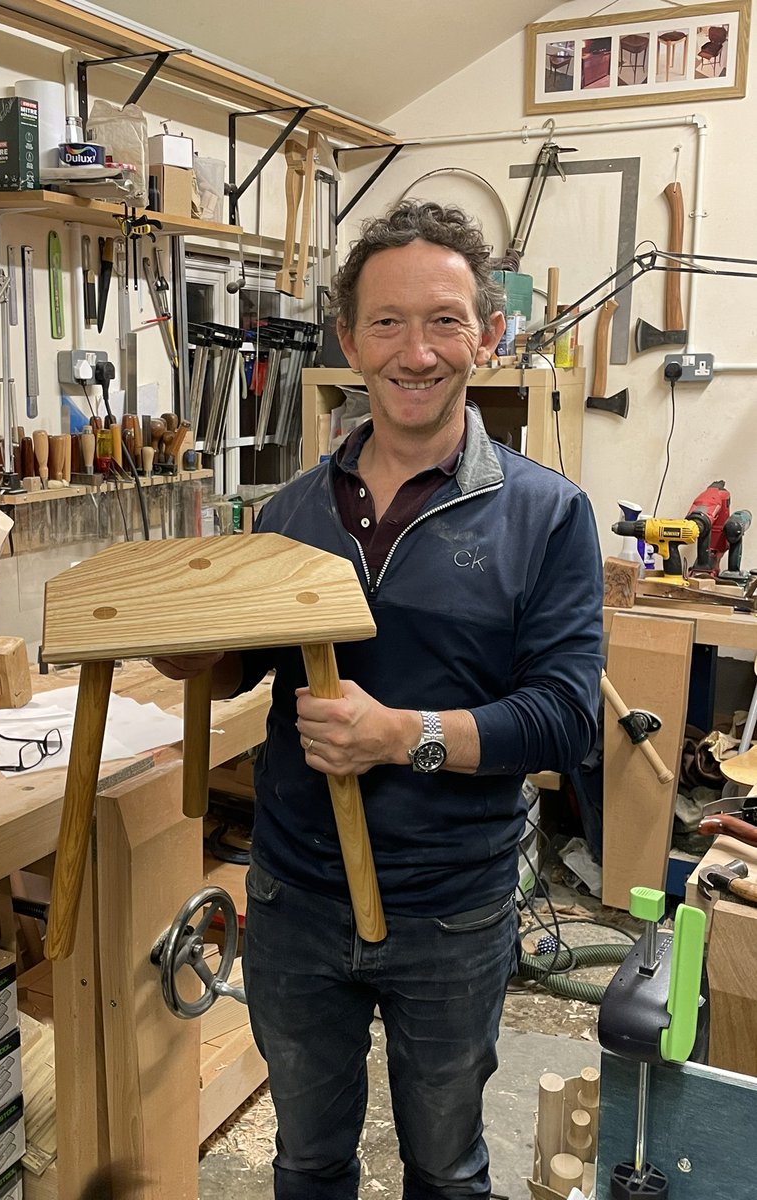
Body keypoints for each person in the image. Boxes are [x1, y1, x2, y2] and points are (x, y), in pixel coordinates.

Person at [155, 200, 603, 1199]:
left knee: (444, 1165)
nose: (416, 351)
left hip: (453, 908)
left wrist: (402, 736)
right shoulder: (291, 509)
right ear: (350, 339)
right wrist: (199, 658)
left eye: (444, 320)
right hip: (293, 898)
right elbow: (251, 665)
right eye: (388, 322)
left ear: (487, 335)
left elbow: (569, 718)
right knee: (308, 1161)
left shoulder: (546, 515)